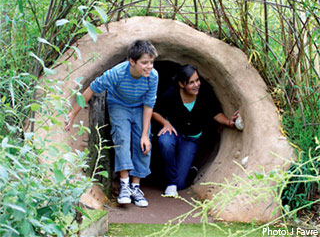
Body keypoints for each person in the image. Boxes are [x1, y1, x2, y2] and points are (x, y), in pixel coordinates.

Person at [65, 40, 158, 207]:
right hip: (119, 104)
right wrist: (72, 114)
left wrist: (145, 134)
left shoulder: (153, 76)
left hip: (140, 107)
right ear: (132, 61)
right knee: (122, 138)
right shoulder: (117, 73)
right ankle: (124, 185)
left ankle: (135, 187)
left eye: (151, 62)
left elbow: (149, 104)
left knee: (143, 143)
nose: (149, 66)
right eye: (144, 62)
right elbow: (91, 89)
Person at [152, 64, 238, 196]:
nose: (196, 84)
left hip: (191, 138)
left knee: (180, 183)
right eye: (191, 82)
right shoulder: (171, 93)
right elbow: (155, 112)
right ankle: (170, 183)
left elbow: (215, 113)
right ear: (181, 84)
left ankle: (191, 171)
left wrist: (228, 122)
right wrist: (165, 123)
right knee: (164, 142)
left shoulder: (204, 95)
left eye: (197, 80)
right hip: (173, 132)